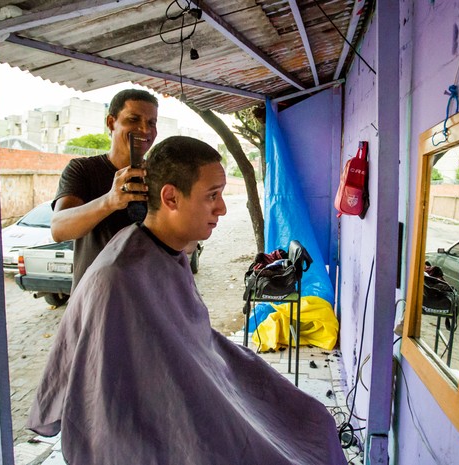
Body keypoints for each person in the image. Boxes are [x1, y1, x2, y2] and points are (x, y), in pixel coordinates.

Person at [27, 136, 347, 465]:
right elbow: (107, 409)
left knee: (313, 420)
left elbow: (191, 337)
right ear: (171, 198)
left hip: (201, 386)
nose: (222, 208)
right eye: (212, 196)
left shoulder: (169, 250)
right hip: (160, 429)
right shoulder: (116, 278)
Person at [51, 89, 158, 292]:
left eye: (151, 122)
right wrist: (109, 201)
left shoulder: (160, 174)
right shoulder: (83, 170)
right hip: (96, 297)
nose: (145, 129)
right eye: (134, 119)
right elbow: (59, 229)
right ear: (111, 123)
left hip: (147, 297)